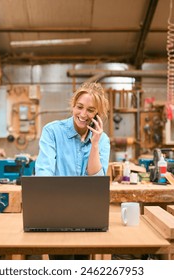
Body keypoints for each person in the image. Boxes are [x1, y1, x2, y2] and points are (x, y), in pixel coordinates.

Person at [35, 82, 110, 260]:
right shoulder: (52, 131)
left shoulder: (102, 140)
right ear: (73, 105)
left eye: (90, 110)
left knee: (83, 261)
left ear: (97, 115)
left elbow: (96, 182)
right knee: (60, 261)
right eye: (79, 107)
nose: (83, 114)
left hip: (87, 211)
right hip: (56, 209)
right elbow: (44, 173)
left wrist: (95, 144)